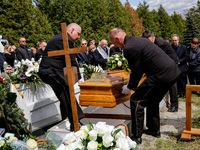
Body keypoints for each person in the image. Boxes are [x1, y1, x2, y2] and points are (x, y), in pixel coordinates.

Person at [108, 28, 181, 144]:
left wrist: (130, 87)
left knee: (136, 100)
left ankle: (136, 136)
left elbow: (137, 70)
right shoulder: (137, 40)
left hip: (161, 75)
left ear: (118, 38)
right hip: (172, 72)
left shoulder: (129, 47)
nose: (116, 46)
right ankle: (154, 129)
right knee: (152, 100)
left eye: (114, 43)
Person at [39, 23, 84, 131]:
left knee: (64, 96)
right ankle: (75, 122)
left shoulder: (61, 38)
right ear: (72, 30)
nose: (78, 37)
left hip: (51, 72)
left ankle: (71, 120)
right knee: (68, 93)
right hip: (51, 72)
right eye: (78, 34)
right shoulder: (65, 39)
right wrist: (77, 78)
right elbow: (72, 59)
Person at [142, 30, 179, 112]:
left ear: (152, 36)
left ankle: (174, 105)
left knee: (172, 86)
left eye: (148, 40)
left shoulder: (160, 44)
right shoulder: (151, 43)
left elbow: (157, 58)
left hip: (171, 64)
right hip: (164, 65)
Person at [172, 34, 189, 98]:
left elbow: (187, 56)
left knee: (183, 81)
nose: (174, 42)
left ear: (178, 40)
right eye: (173, 40)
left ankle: (185, 93)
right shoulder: (171, 47)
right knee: (177, 81)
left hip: (182, 67)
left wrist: (180, 61)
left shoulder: (183, 47)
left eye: (175, 40)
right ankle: (179, 93)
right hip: (175, 68)